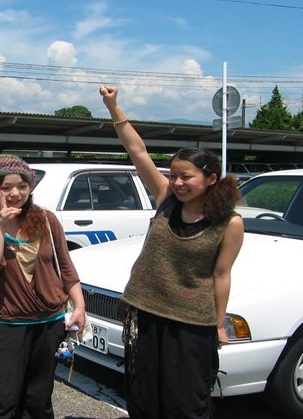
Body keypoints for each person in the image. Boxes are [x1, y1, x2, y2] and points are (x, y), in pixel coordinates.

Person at [99, 85, 245, 419]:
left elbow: (222, 274)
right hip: (145, 310)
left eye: (186, 177)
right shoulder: (166, 199)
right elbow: (137, 151)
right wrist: (113, 107)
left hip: (191, 321)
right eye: (174, 175)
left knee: (186, 400)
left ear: (210, 179)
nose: (177, 182)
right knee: (144, 395)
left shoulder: (229, 223)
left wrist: (219, 324)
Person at [0, 154, 86, 419]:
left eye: (22, 185)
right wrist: (0, 225)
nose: (15, 193)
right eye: (5, 187)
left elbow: (65, 267)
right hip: (5, 325)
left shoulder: (46, 219)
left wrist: (79, 306)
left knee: (38, 400)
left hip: (49, 324)